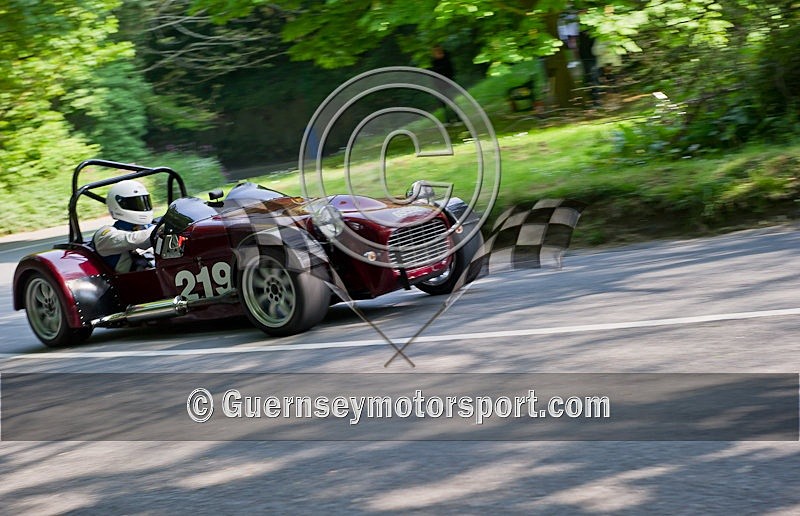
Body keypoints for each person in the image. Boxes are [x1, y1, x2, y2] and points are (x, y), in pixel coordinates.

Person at [93, 179, 156, 272]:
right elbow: (133, 240)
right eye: (135, 203)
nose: (142, 207)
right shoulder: (104, 236)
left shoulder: (149, 227)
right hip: (132, 284)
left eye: (143, 202)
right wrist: (162, 230)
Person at [430, 45, 456, 124]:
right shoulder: (434, 61)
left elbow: (450, 70)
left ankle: (457, 117)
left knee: (451, 100)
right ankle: (448, 119)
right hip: (439, 84)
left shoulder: (446, 59)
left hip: (447, 82)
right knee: (443, 102)